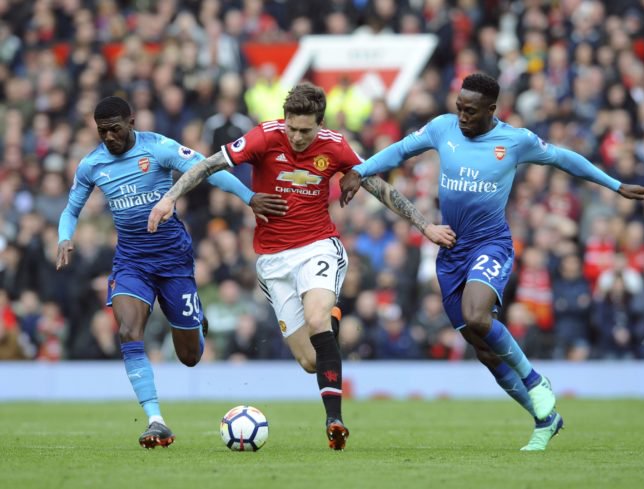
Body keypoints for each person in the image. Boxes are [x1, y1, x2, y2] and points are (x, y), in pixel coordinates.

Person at [340, 73, 644, 451]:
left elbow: (564, 159)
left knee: (478, 316)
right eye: (459, 107)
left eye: (470, 111)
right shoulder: (442, 128)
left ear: (492, 110)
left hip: (490, 245)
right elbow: (398, 152)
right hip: (451, 253)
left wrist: (615, 184)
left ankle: (536, 381)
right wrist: (360, 171)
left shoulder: (515, 140)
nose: (461, 115)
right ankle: (545, 419)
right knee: (485, 351)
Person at [147, 83, 456, 450]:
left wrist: (425, 226)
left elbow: (379, 187)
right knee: (310, 360)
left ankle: (334, 421)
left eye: (305, 131)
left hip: (317, 247)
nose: (295, 137)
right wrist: (169, 198)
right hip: (273, 260)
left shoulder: (336, 146)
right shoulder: (264, 136)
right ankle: (334, 320)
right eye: (291, 127)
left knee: (315, 318)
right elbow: (209, 164)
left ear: (319, 125)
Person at [56, 96, 286, 449]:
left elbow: (207, 170)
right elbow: (71, 209)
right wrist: (64, 236)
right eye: (102, 131)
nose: (109, 138)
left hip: (173, 261)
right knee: (129, 331)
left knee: (190, 357)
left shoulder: (159, 148)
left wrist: (248, 196)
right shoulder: (91, 164)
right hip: (131, 263)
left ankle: (198, 325)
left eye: (115, 129)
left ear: (131, 122)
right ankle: (156, 420)